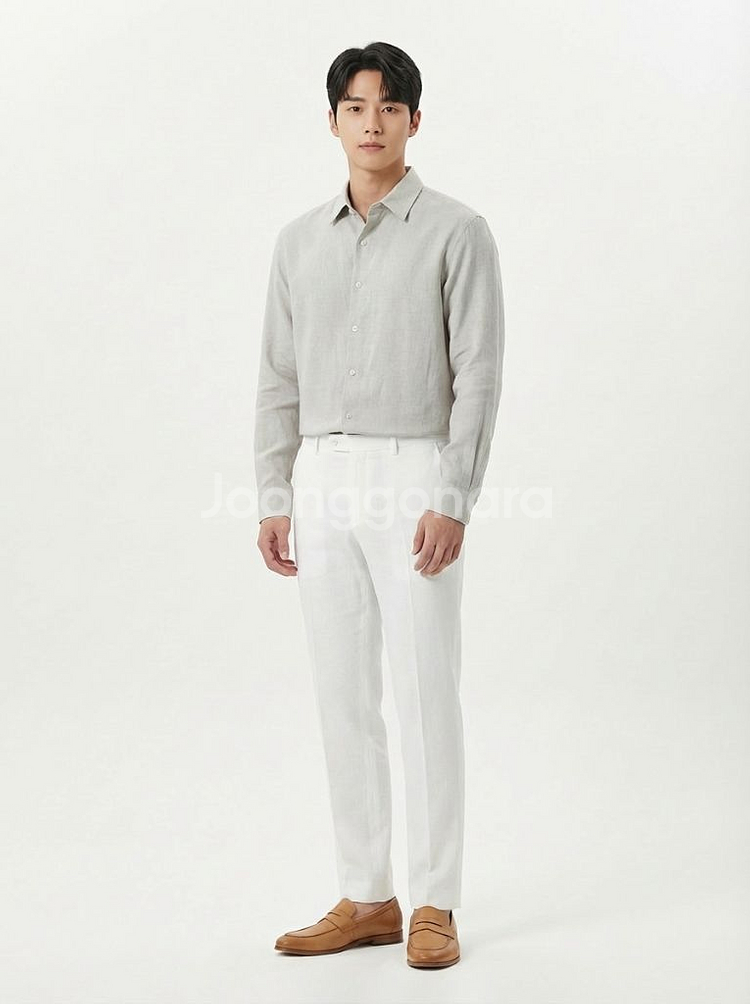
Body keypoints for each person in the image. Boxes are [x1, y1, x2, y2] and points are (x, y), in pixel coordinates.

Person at [254, 41, 504, 969]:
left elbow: (479, 373)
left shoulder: (457, 231)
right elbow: (277, 377)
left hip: (414, 473)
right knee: (343, 694)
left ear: (414, 121)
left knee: (425, 688)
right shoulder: (296, 242)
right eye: (355, 108)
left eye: (389, 108)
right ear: (332, 121)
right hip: (320, 475)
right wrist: (274, 492)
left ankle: (435, 900)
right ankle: (367, 895)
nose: (372, 123)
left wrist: (453, 495)